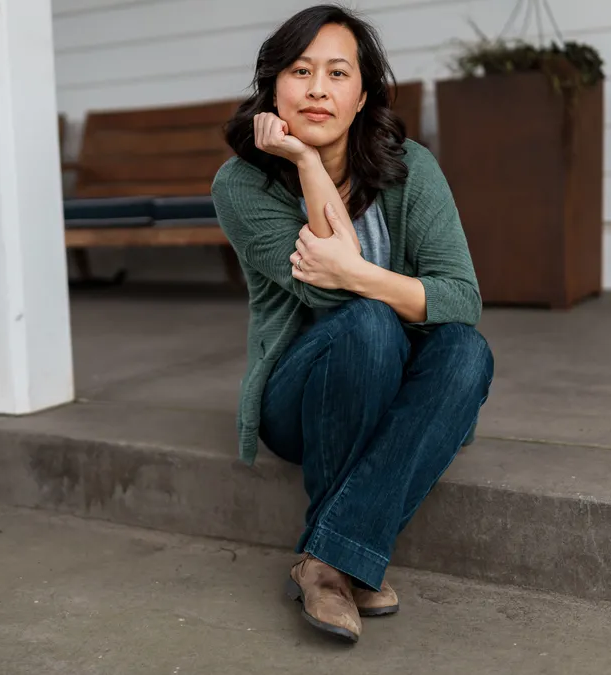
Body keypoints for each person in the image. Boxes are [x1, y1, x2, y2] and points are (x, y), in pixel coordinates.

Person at [211, 4, 494, 644]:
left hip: (399, 379)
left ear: (362, 94)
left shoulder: (411, 167)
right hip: (300, 392)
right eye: (300, 70)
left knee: (467, 352)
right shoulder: (242, 184)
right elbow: (331, 301)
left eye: (338, 73)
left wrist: (361, 274)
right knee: (367, 323)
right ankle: (347, 557)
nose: (317, 89)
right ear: (272, 87)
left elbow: (460, 298)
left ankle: (328, 560)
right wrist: (309, 165)